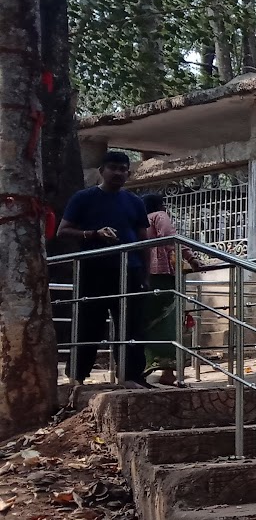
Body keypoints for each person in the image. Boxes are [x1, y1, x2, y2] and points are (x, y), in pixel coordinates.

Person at [58, 151, 151, 392]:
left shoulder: (135, 202)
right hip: (94, 270)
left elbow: (144, 240)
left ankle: (131, 376)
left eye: (123, 169)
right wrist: (93, 234)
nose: (118, 173)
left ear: (128, 173)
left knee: (131, 325)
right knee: (89, 324)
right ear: (101, 170)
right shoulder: (83, 198)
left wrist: (145, 274)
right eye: (113, 168)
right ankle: (77, 377)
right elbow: (63, 231)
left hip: (129, 271)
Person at [140, 194, 201, 386]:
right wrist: (190, 258)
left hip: (142, 272)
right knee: (168, 318)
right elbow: (170, 237)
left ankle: (144, 366)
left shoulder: (140, 220)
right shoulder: (159, 216)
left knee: (147, 320)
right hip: (162, 273)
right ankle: (168, 370)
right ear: (162, 205)